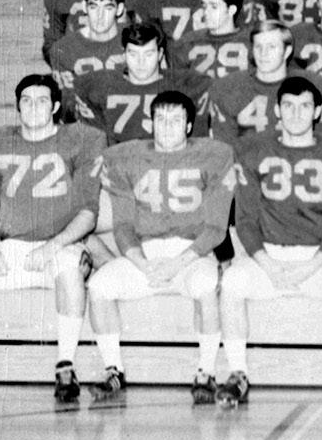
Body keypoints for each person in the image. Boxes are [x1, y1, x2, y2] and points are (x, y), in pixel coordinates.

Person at [0, 75, 105, 401]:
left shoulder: (81, 140)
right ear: (18, 106)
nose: (33, 107)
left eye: (41, 100)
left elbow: (88, 213)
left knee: (68, 267)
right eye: (26, 100)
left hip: (63, 244)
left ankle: (65, 365)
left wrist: (53, 246)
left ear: (55, 106)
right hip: (16, 248)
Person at [219, 77, 322, 407]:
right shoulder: (252, 148)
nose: (296, 114)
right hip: (268, 256)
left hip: (317, 258)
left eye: (304, 106)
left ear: (318, 111)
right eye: (289, 106)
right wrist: (268, 264)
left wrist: (309, 266)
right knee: (232, 281)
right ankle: (238, 372)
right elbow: (245, 219)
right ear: (277, 111)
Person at [86, 90, 235, 401]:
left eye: (176, 120)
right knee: (99, 286)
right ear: (150, 123)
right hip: (147, 254)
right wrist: (143, 264)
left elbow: (216, 228)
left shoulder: (214, 155)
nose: (167, 127)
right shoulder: (126, 158)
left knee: (206, 285)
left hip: (192, 253)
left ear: (189, 126)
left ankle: (205, 372)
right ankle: (113, 370)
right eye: (161, 119)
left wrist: (176, 263)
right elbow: (123, 226)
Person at [74, 22, 211, 144]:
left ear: (160, 54)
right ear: (124, 54)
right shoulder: (101, 85)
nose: (141, 62)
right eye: (133, 54)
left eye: (148, 54)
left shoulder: (183, 85)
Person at [208, 20, 322, 151]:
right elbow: (224, 150)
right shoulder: (229, 87)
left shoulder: (315, 86)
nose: (263, 53)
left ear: (287, 51)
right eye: (258, 47)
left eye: (271, 47)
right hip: (246, 160)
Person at [49, 0, 131, 110]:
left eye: (108, 8)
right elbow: (67, 101)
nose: (100, 15)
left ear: (119, 9)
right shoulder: (64, 48)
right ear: (84, 7)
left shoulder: (134, 41)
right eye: (94, 7)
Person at [170, 0, 253, 78]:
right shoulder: (186, 43)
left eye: (214, 6)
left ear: (231, 10)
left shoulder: (252, 42)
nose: (206, 12)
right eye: (204, 6)